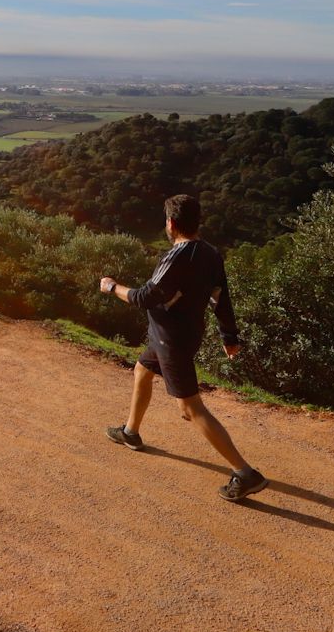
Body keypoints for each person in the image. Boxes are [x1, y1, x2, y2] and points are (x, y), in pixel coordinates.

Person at [98, 194, 268, 501]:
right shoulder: (212, 254)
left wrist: (112, 287)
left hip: (171, 339)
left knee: (191, 407)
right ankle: (130, 432)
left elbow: (144, 297)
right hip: (183, 334)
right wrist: (229, 336)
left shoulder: (177, 256)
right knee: (142, 369)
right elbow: (220, 297)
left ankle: (245, 473)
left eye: (166, 221)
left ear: (172, 224)